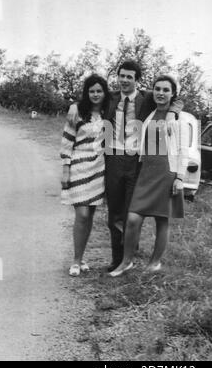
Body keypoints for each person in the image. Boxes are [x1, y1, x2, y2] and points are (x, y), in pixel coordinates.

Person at [104, 61, 183, 272]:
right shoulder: (110, 97)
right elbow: (87, 100)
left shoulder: (147, 99)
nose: (125, 80)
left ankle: (146, 260)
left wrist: (173, 112)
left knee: (146, 216)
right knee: (116, 214)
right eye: (122, 76)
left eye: (130, 77)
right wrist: (75, 105)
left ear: (137, 80)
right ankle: (119, 259)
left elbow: (177, 101)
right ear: (117, 76)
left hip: (144, 166)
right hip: (114, 157)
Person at [60, 74, 110, 276]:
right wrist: (65, 169)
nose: (95, 94)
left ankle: (82, 258)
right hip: (78, 167)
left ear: (104, 92)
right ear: (86, 93)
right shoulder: (77, 113)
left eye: (99, 91)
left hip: (99, 168)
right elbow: (66, 141)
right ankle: (75, 260)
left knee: (89, 216)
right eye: (91, 91)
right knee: (81, 214)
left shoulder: (109, 113)